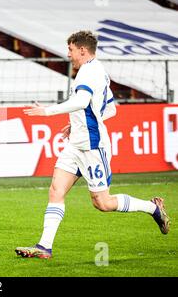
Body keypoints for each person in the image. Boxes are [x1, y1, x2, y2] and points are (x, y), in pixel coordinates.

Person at [15, 30, 170, 259]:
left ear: (82, 50)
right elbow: (110, 108)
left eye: (70, 49)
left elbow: (82, 101)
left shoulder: (90, 72)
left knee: (103, 203)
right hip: (75, 144)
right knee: (56, 190)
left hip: (92, 145)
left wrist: (47, 112)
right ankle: (44, 247)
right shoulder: (96, 70)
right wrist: (75, 123)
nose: (68, 54)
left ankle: (153, 208)